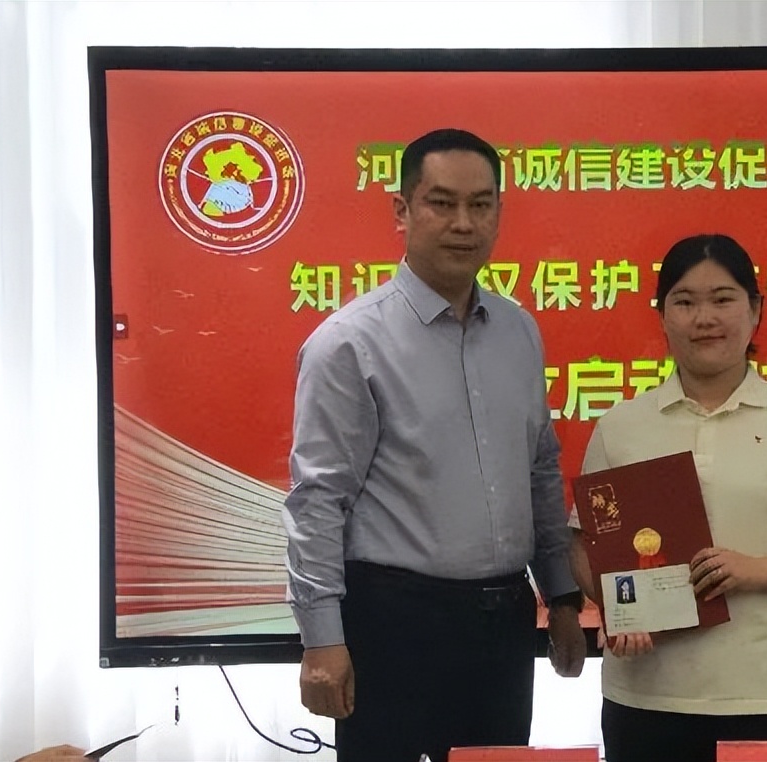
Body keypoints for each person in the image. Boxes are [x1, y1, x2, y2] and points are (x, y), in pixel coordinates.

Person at [282, 128, 586, 762]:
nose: (463, 223)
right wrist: (322, 638)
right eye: (441, 203)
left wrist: (561, 597)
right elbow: (317, 502)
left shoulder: (519, 332)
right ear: (402, 210)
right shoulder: (349, 343)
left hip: (502, 621)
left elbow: (539, 470)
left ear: (499, 212)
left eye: (481, 205)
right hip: (393, 622)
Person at [569, 233, 767, 762]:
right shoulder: (621, 427)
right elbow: (584, 546)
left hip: (761, 694)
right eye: (684, 302)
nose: (704, 318)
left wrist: (752, 571)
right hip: (643, 695)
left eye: (723, 299)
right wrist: (619, 610)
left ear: (755, 311)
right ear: (662, 317)